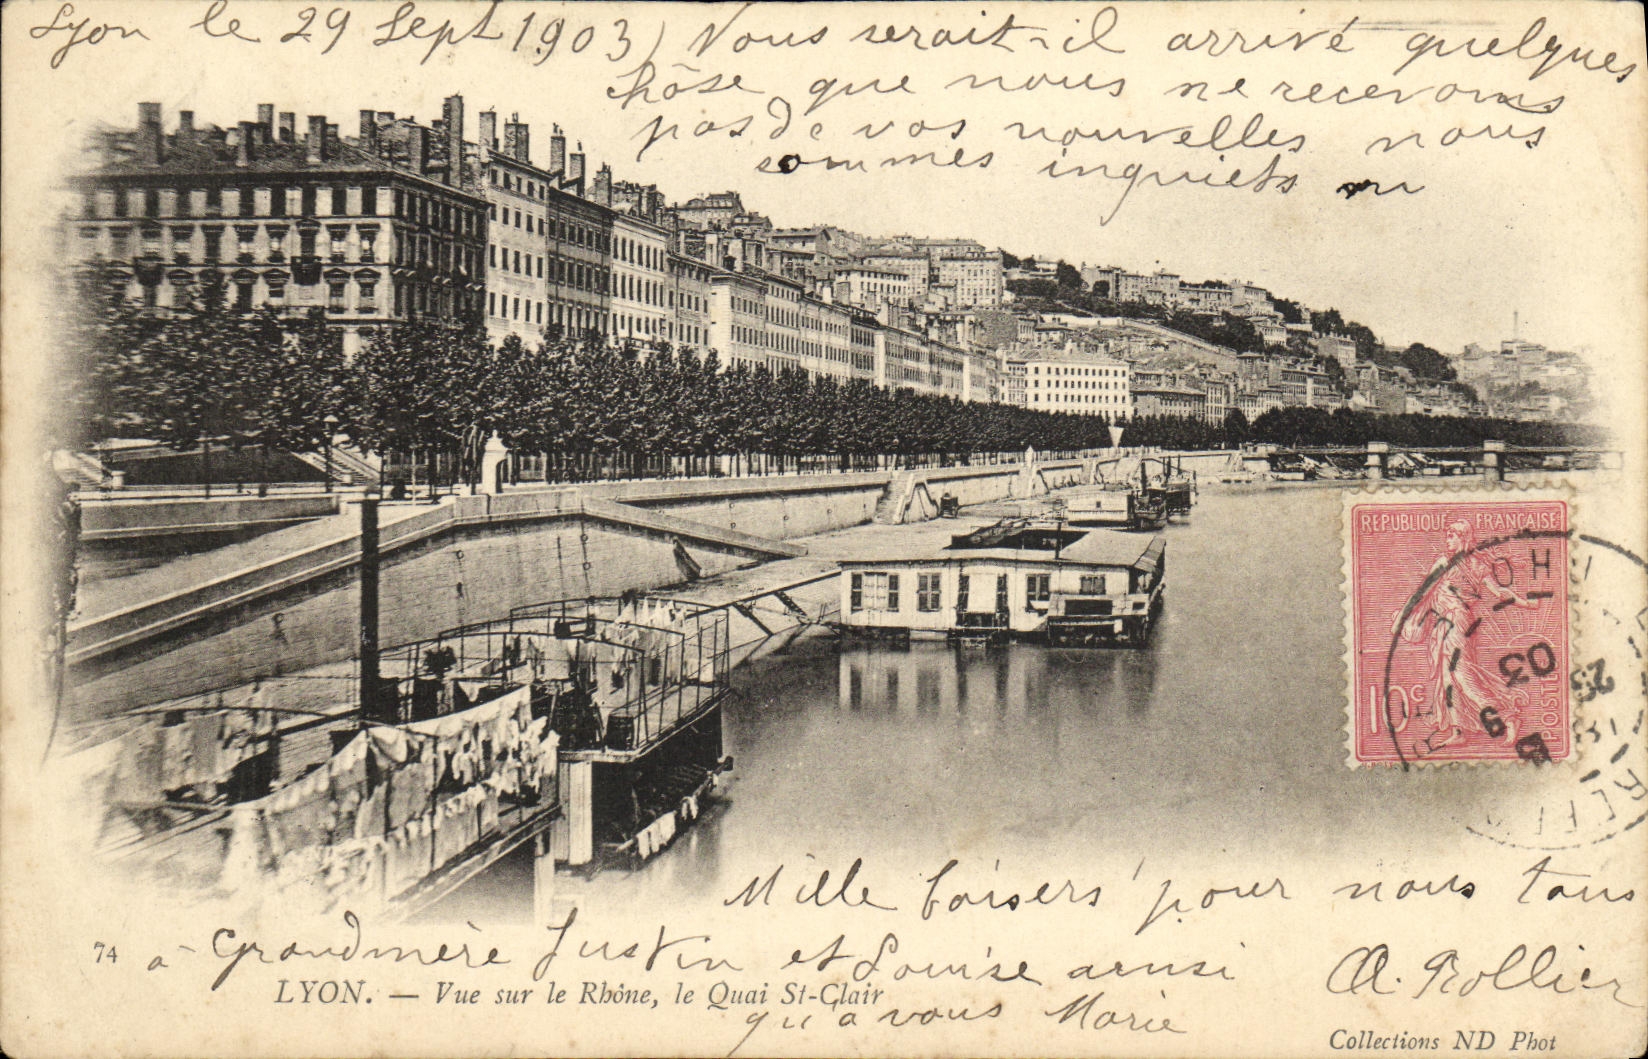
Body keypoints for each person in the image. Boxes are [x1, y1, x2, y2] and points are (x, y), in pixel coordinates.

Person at [1394, 517, 1539, 750]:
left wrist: (1526, 603)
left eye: (1452, 536)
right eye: (1447, 535)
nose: (1447, 540)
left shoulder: (1459, 564)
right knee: (1448, 678)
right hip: (1447, 624)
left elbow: (1499, 592)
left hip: (1456, 622)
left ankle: (1509, 717)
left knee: (1462, 676)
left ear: (1463, 538)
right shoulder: (1461, 563)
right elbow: (1424, 592)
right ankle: (1458, 731)